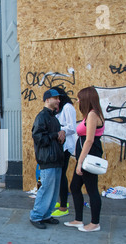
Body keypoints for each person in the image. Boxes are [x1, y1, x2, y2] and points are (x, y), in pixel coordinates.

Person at [65, 87, 105, 232]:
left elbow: (89, 141)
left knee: (92, 189)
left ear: (87, 99)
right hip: (85, 156)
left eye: (80, 98)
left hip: (89, 156)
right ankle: (78, 219)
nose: (78, 101)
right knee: (75, 186)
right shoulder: (90, 114)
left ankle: (95, 223)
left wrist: (80, 162)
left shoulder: (93, 115)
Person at [29, 89, 65, 229]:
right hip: (47, 160)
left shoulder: (53, 118)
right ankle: (36, 216)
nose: (58, 100)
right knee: (45, 189)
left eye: (58, 98)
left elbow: (53, 137)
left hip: (56, 160)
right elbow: (38, 138)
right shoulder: (42, 117)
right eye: (55, 98)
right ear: (47, 100)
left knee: (54, 190)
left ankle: (46, 215)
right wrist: (56, 135)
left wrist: (61, 136)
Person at [51, 87, 76, 217]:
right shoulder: (59, 109)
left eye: (56, 98)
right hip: (60, 145)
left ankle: (63, 206)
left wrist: (60, 130)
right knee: (59, 175)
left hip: (66, 146)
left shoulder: (67, 107)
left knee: (61, 175)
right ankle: (61, 201)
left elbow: (72, 127)